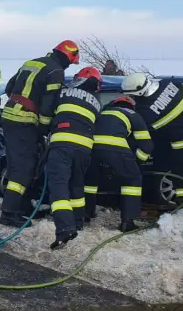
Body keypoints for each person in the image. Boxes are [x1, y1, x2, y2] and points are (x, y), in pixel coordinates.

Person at [0, 40, 81, 228]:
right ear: (68, 56)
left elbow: (9, 88)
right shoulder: (56, 71)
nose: (69, 66)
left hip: (10, 116)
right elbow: (48, 104)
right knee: (24, 167)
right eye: (71, 62)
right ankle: (9, 213)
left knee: (21, 164)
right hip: (24, 121)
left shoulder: (32, 63)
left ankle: (23, 207)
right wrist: (44, 127)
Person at [121, 73, 183, 215]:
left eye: (132, 95)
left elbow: (148, 135)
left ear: (139, 93)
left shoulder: (146, 111)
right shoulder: (168, 84)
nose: (132, 98)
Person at [45, 67, 102, 250]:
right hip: (85, 148)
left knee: (59, 185)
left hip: (62, 144)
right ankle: (78, 221)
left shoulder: (65, 91)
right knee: (76, 184)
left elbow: (48, 110)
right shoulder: (96, 102)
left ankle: (65, 228)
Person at [83, 95, 154, 232]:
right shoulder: (133, 114)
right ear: (131, 106)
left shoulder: (102, 113)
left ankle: (86, 214)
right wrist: (136, 163)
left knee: (90, 182)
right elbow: (147, 146)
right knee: (132, 180)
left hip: (91, 148)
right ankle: (128, 222)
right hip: (116, 148)